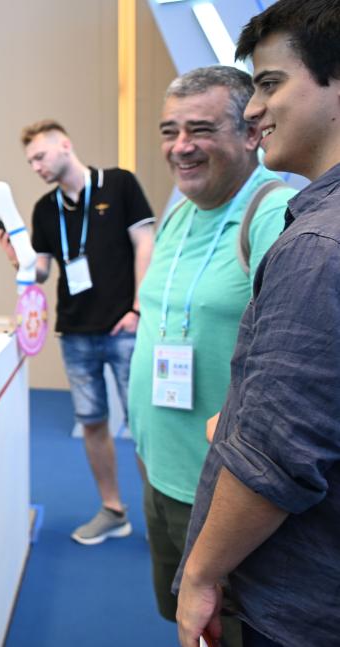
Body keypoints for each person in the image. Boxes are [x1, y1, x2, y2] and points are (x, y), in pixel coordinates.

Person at [175, 2, 340, 646]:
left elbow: (277, 455)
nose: (254, 108)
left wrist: (201, 573)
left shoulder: (317, 247)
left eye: (271, 83)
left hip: (295, 601)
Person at [128, 65, 293, 645]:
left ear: (250, 133)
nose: (181, 146)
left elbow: (291, 383)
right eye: (169, 131)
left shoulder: (274, 214)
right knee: (183, 625)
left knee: (226, 632)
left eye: (200, 129)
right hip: (160, 474)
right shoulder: (178, 213)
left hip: (224, 498)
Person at [0, 120, 155, 544]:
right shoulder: (45, 209)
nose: (36, 166)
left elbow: (145, 243)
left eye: (40, 156)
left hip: (125, 326)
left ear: (65, 145)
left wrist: (138, 309)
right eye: (30, 162)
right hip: (75, 331)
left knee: (145, 425)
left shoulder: (118, 184)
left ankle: (162, 518)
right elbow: (42, 270)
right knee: (92, 422)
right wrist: (18, 259)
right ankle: (113, 510)